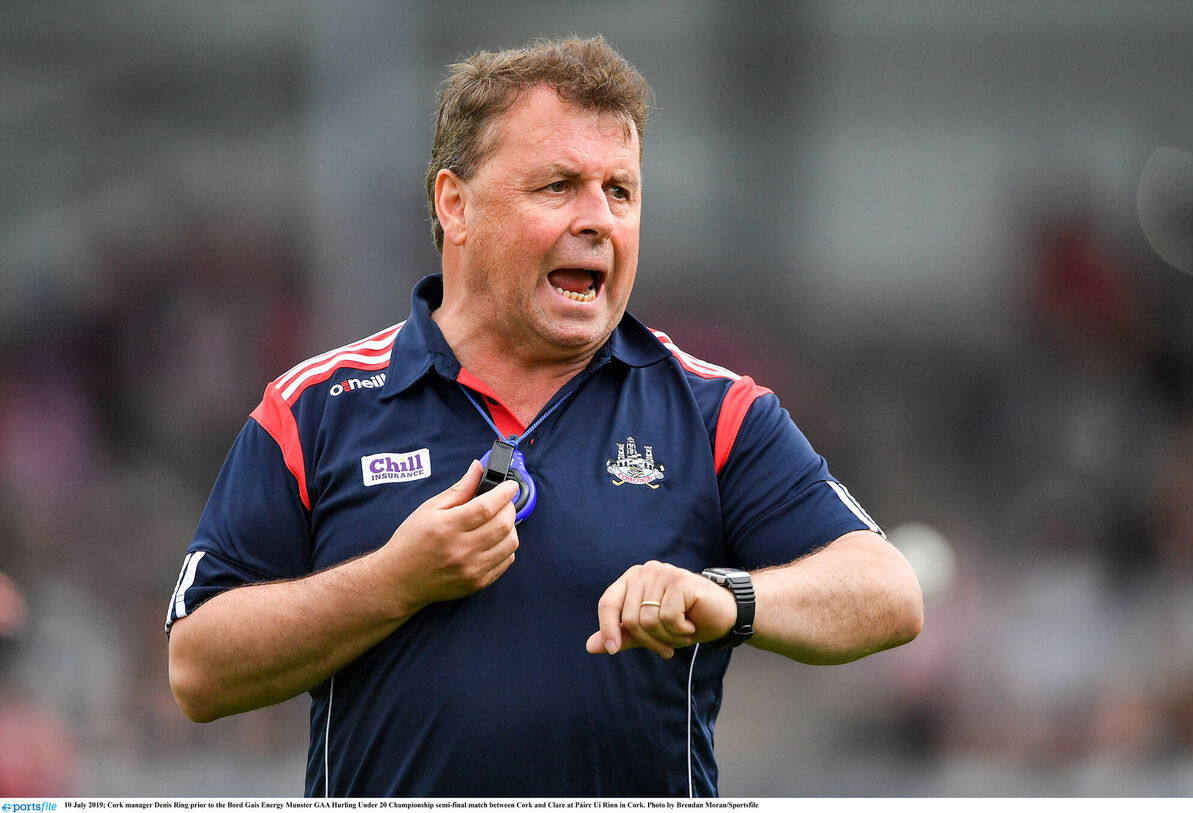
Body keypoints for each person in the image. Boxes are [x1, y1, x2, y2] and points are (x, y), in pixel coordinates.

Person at [166, 35, 923, 798]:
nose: (599, 219)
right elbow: (197, 669)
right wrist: (393, 581)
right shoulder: (314, 408)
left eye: (620, 192)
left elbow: (887, 593)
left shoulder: (715, 411)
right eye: (559, 186)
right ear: (454, 205)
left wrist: (729, 599)